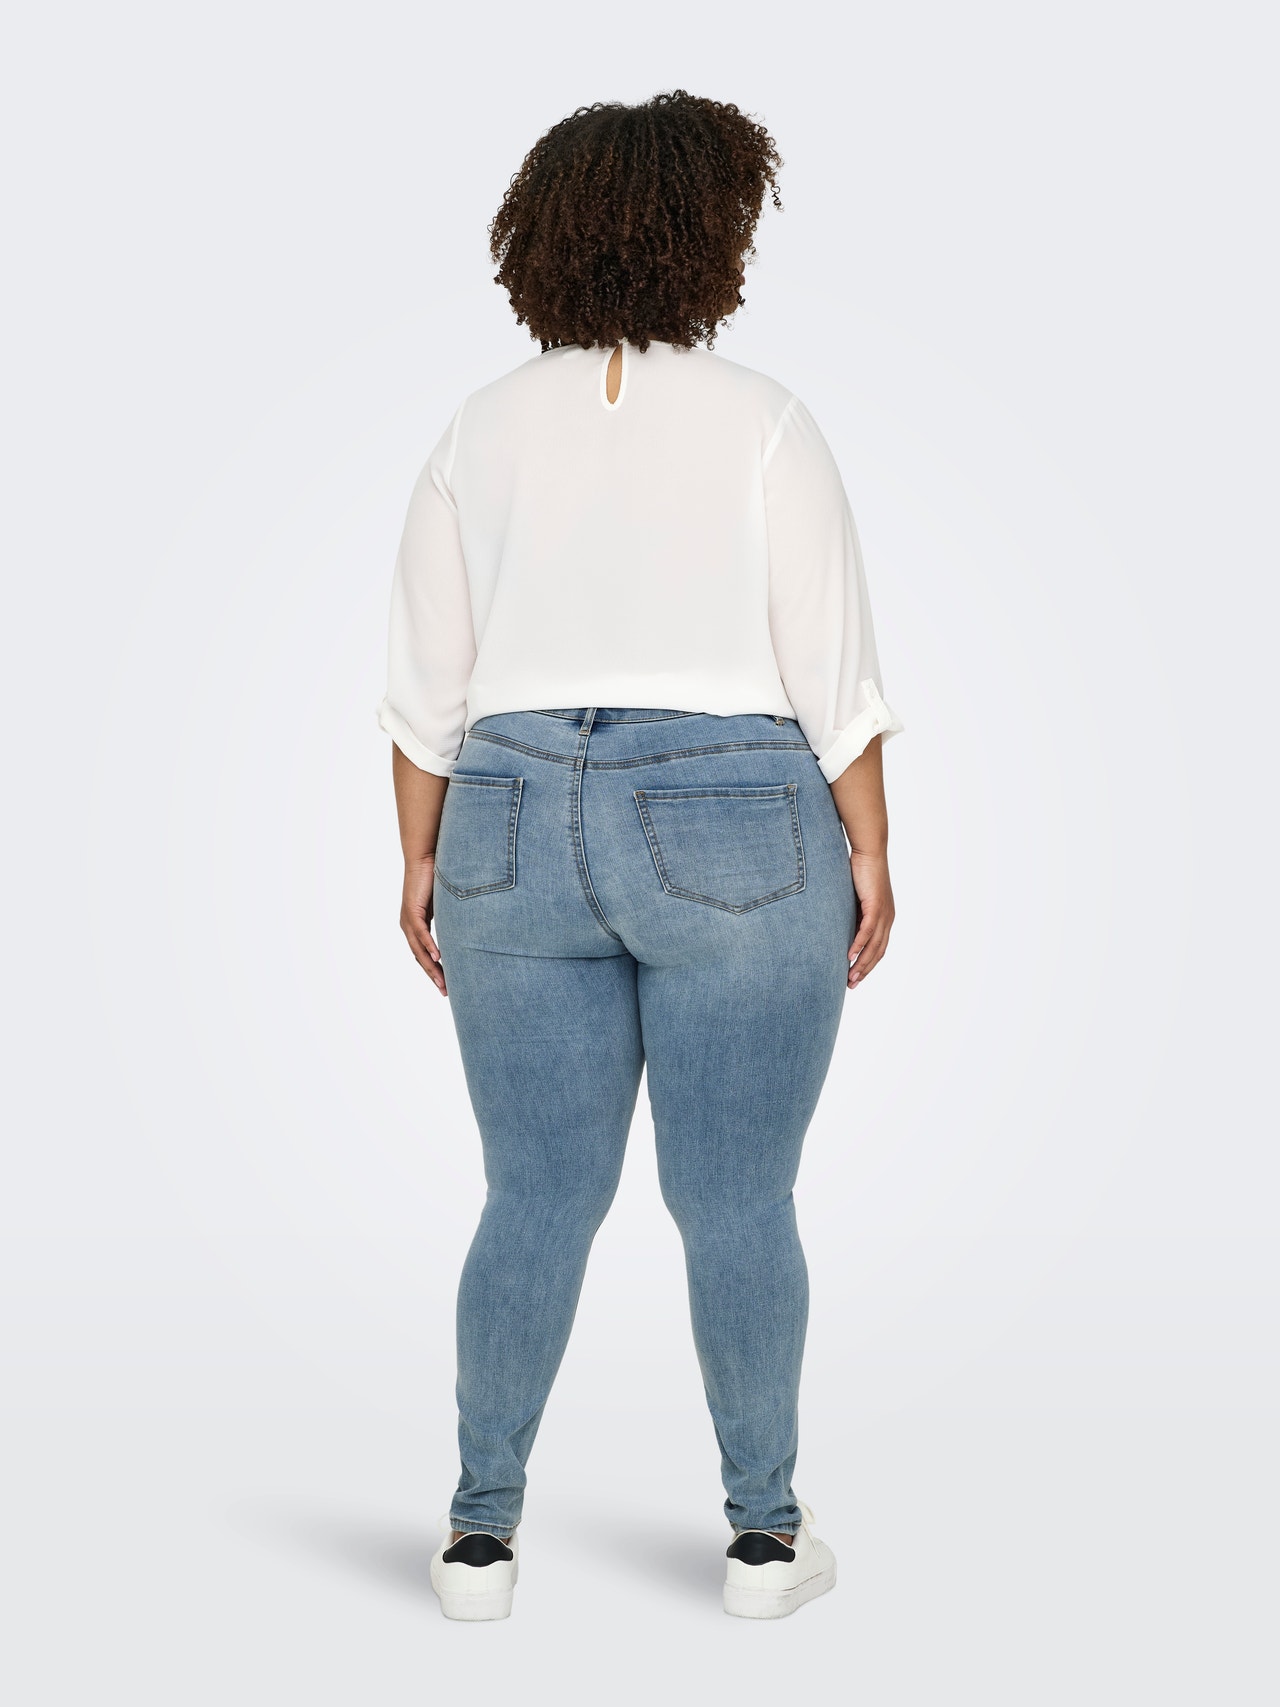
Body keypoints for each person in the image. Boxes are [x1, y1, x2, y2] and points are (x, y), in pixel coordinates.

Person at [376, 88, 905, 1622]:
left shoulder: (476, 429)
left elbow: (423, 693)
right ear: (710, 232)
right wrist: (872, 848)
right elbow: (835, 674)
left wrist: (418, 861)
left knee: (532, 1195)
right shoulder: (765, 419)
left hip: (507, 813)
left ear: (541, 237)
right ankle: (764, 1544)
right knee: (736, 1201)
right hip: (735, 812)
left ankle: (479, 1543)